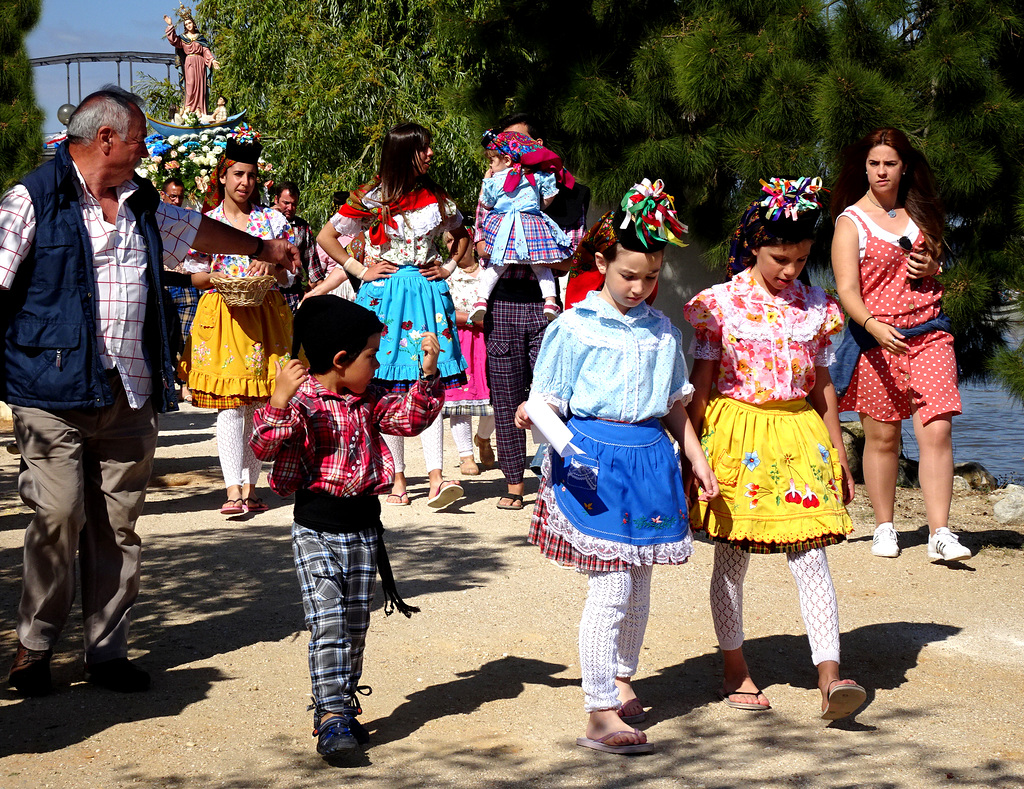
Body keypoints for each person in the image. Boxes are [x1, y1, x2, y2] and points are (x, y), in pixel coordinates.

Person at [0, 86, 297, 696]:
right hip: (49, 386)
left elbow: (196, 229)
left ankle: (106, 651)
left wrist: (261, 247)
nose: (147, 151)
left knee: (117, 524)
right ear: (106, 138)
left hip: (127, 388)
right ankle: (35, 647)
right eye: (139, 139)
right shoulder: (32, 199)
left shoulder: (141, 203)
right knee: (58, 513)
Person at [515, 183, 718, 755]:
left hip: (651, 462)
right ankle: (599, 709)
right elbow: (545, 401)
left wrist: (697, 460)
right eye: (629, 274)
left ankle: (622, 676)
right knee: (609, 589)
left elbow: (675, 406)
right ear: (602, 262)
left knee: (640, 586)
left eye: (650, 277)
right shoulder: (573, 328)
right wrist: (568, 455)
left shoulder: (662, 332)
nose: (639, 287)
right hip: (593, 463)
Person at [685, 177, 866, 721]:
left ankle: (830, 675)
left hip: (797, 436)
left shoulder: (817, 306)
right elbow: (701, 384)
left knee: (811, 554)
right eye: (779, 258)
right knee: (732, 558)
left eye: (802, 259)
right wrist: (687, 456)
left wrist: (837, 453)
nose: (791, 271)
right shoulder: (717, 305)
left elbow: (822, 386)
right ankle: (735, 667)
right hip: (736, 438)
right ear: (753, 245)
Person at [250, 296, 443, 761]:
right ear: (341, 360)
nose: (376, 364)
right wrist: (278, 400)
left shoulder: (370, 398)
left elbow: (410, 419)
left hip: (363, 531)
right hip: (315, 529)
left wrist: (429, 373)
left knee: (354, 625)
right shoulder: (301, 402)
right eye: (371, 355)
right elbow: (263, 446)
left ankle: (343, 702)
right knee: (329, 622)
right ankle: (331, 714)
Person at [830, 128, 970, 563]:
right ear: (865, 168)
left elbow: (938, 265)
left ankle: (940, 532)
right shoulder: (851, 222)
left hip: (929, 332)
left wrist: (934, 263)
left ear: (904, 166)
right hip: (878, 339)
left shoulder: (922, 212)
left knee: (938, 428)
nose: (881, 171)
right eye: (874, 164)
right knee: (883, 436)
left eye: (890, 163)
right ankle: (885, 527)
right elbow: (847, 290)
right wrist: (872, 325)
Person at [313, 122, 469, 509]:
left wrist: (448, 267)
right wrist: (359, 269)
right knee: (382, 383)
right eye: (424, 148)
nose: (431, 154)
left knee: (427, 380)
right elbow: (326, 236)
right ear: (404, 153)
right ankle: (395, 474)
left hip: (427, 295)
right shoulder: (370, 196)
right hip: (384, 296)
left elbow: (462, 234)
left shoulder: (437, 197)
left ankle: (435, 476)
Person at [477, 112, 590, 510]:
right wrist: (506, 240)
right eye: (507, 145)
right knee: (506, 395)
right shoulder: (494, 185)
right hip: (504, 299)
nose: (514, 151)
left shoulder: (571, 193)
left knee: (554, 395)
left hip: (549, 307)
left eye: (521, 143)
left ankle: (557, 478)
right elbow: (481, 245)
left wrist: (530, 244)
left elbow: (569, 257)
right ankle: (513, 483)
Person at [179, 130, 295, 516]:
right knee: (230, 406)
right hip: (223, 316)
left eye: (250, 176)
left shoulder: (271, 220)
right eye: (237, 175)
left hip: (263, 314)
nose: (244, 183)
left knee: (259, 404)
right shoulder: (205, 223)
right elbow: (194, 277)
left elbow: (290, 276)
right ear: (223, 177)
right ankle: (233, 490)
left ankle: (252, 486)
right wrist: (223, 276)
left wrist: (273, 263)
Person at [473, 130, 573, 323]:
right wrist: (538, 207)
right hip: (532, 225)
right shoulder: (536, 177)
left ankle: (481, 300)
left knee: (497, 265)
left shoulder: (495, 179)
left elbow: (486, 202)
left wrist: (487, 180)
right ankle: (551, 301)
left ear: (508, 160)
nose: (491, 166)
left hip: (505, 227)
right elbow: (551, 193)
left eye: (492, 161)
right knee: (541, 265)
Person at [443, 252, 496, 475]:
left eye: (458, 241)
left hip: (488, 337)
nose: (453, 247)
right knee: (460, 398)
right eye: (448, 242)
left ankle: (483, 437)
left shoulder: (490, 271)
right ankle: (466, 455)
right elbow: (441, 311)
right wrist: (473, 318)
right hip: (458, 339)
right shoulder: (445, 275)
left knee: (495, 394)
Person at [163, 11, 219, 116]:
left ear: (193, 23)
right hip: (189, 62)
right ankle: (189, 107)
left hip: (200, 63)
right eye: (186, 24)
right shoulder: (183, 38)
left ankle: (200, 109)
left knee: (200, 86)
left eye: (190, 23)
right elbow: (174, 40)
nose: (189, 25)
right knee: (190, 84)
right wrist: (170, 25)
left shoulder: (200, 38)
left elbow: (205, 51)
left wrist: (212, 60)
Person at [272, 180, 316, 312]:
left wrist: (311, 290)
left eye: (294, 204)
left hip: (293, 293)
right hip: (266, 291)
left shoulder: (303, 227)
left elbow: (312, 263)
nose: (290, 208)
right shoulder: (262, 220)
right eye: (286, 203)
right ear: (276, 200)